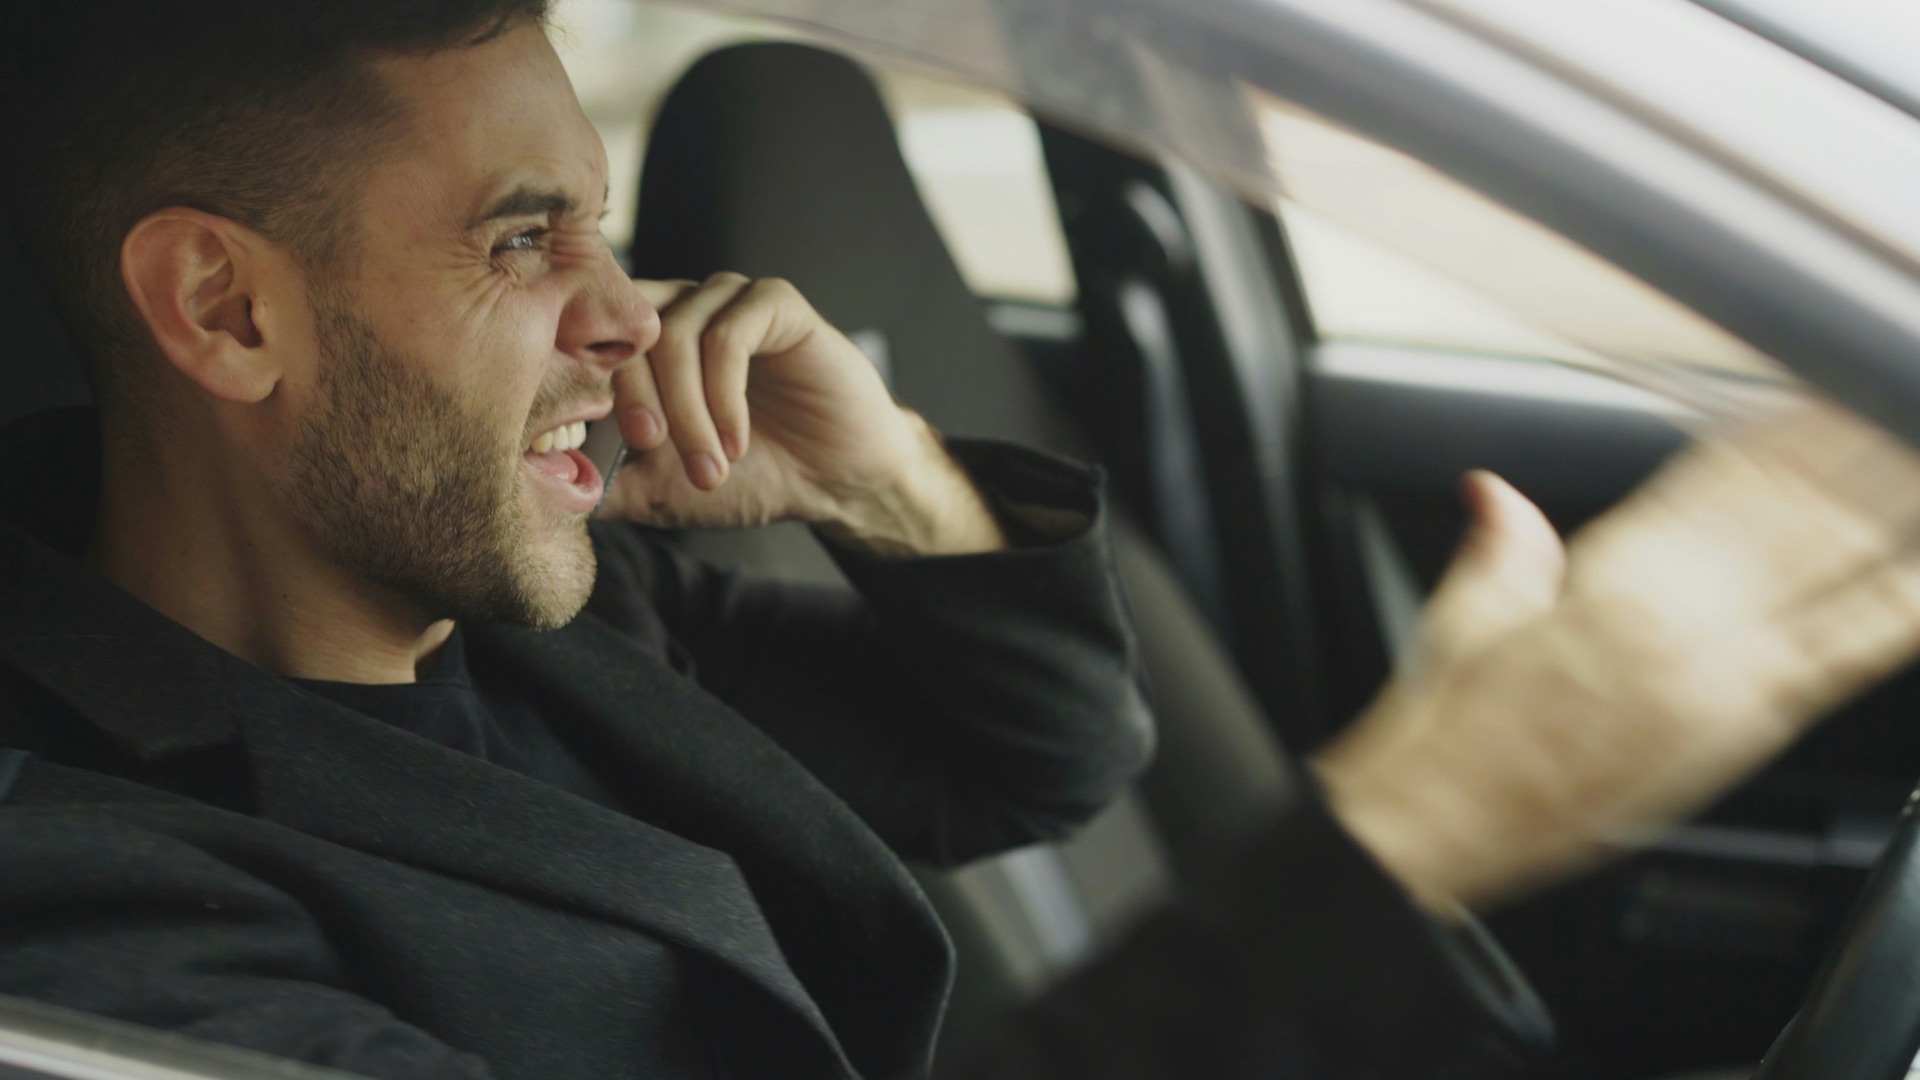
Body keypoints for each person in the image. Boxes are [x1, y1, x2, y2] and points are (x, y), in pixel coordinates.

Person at [5, 3, 1920, 1079]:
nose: (624, 312)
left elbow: (1045, 757)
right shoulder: (94, 917)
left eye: (596, 225)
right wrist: (1433, 823)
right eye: (525, 241)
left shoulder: (529, 614)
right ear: (224, 311)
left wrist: (889, 482)